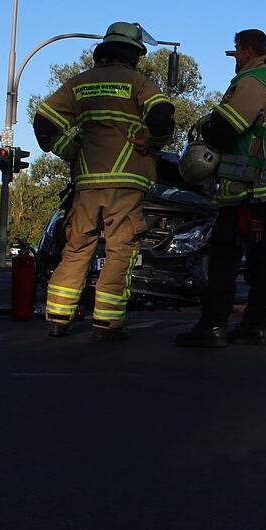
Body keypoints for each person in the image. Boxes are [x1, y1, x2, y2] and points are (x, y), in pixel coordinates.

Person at [34, 22, 175, 341]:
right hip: (125, 185)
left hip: (85, 184)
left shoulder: (79, 84)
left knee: (76, 248)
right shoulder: (138, 83)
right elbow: (163, 114)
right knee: (119, 251)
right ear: (135, 54)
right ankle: (107, 323)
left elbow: (44, 122)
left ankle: (57, 316)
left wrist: (70, 151)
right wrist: (152, 143)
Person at [176, 29, 266, 348]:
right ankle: (256, 325)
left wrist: (204, 124)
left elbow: (225, 129)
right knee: (263, 263)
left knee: (223, 260)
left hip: (247, 191)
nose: (233, 58)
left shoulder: (251, 82)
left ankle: (214, 326)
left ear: (248, 51)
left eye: (235, 50)